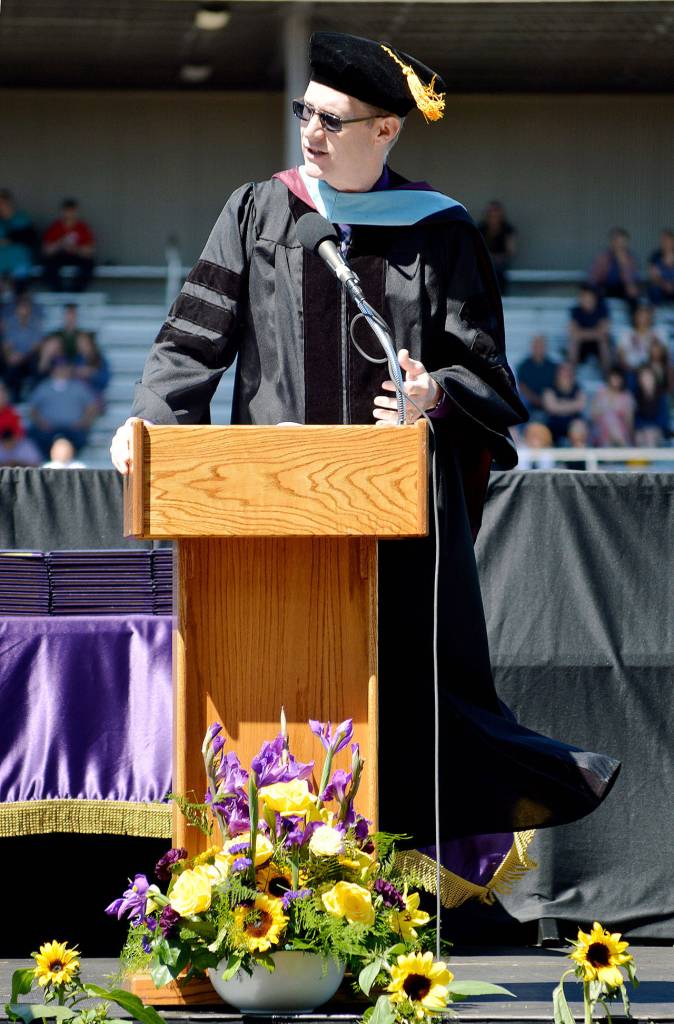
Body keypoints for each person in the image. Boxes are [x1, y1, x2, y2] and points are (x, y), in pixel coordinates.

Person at [111, 32, 618, 848]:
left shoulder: (439, 230)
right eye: (304, 112)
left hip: (397, 524)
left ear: (387, 129)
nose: (310, 132)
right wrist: (150, 423)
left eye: (332, 120)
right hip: (270, 514)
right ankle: (263, 865)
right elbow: (189, 345)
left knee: (411, 694)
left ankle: (397, 876)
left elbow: (484, 371)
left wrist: (433, 398)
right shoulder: (258, 210)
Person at [26, 360, 99, 457]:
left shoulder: (79, 387)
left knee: (79, 437)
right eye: (59, 368)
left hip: (73, 429)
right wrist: (41, 422)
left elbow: (92, 406)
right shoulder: (43, 387)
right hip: (49, 429)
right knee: (38, 436)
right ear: (53, 370)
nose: (62, 370)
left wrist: (83, 421)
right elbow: (32, 409)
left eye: (65, 368)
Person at [41, 199, 96, 292]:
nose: (69, 214)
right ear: (62, 212)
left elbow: (90, 250)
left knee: (89, 264)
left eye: (72, 211)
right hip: (60, 255)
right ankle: (59, 292)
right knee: (48, 264)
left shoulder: (82, 228)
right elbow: (46, 251)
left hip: (77, 256)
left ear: (76, 212)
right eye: (67, 211)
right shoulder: (55, 227)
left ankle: (76, 293)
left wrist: (76, 248)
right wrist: (60, 244)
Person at [0, 294, 44, 400]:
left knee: (35, 361)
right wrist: (10, 356)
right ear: (17, 309)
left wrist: (22, 357)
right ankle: (14, 396)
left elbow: (36, 346)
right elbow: (7, 345)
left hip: (29, 358)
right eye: (21, 307)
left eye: (26, 307)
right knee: (11, 366)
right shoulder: (10, 323)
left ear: (30, 309)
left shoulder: (36, 323)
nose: (24, 310)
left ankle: (35, 396)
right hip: (15, 358)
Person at [589, 227, 640, 311]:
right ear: (612, 243)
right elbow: (593, 278)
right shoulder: (604, 257)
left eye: (621, 242)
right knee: (595, 293)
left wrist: (623, 265)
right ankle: (602, 321)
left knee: (632, 292)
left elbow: (631, 281)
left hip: (623, 288)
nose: (619, 245)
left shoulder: (630, 258)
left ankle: (636, 321)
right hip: (606, 287)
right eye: (616, 242)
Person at [567, 283, 612, 373]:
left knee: (604, 341)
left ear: (594, 298)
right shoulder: (575, 310)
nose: (585, 299)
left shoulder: (602, 309)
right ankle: (571, 375)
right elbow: (573, 332)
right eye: (583, 296)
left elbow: (604, 331)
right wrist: (595, 333)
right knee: (574, 340)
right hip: (582, 346)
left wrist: (582, 333)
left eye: (588, 297)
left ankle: (607, 375)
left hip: (597, 345)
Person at [0, 189, 37, 295]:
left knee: (20, 287)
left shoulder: (21, 218)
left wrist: (9, 239)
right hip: (1, 262)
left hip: (19, 261)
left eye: (3, 202)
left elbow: (30, 237)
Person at [542, 362, 586, 444]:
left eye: (568, 372)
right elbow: (551, 407)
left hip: (573, 421)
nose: (566, 374)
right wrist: (572, 404)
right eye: (563, 372)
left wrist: (560, 404)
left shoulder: (578, 388)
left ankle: (578, 454)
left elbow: (580, 406)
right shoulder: (549, 388)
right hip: (554, 422)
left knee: (579, 426)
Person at [616, 303, 668, 374]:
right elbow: (620, 356)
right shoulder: (626, 333)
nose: (643, 318)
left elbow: (664, 355)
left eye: (645, 314)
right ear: (635, 316)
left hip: (653, 371)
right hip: (631, 371)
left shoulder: (658, 332)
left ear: (650, 316)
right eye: (640, 314)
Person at [477, 200, 516, 294]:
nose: (494, 217)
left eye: (496, 213)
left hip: (500, 262)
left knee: (498, 271)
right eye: (491, 214)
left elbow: (510, 251)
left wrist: (498, 257)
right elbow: (476, 248)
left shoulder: (507, 229)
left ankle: (500, 295)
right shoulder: (481, 228)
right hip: (484, 261)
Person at [590, 367, 635, 447]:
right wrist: (607, 411)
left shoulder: (626, 396)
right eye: (614, 377)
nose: (616, 380)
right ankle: (624, 449)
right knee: (609, 417)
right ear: (609, 377)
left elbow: (629, 422)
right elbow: (593, 415)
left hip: (621, 431)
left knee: (612, 421)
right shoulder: (601, 392)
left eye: (618, 377)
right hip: (600, 430)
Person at [0, 380, 41, 466]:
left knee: (28, 447)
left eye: (3, 393)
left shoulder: (12, 412)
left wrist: (10, 442)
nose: (2, 396)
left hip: (12, 444)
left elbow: (19, 433)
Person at [516, 334, 557, 416]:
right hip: (529, 399)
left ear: (545, 347)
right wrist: (535, 399)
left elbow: (557, 385)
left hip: (548, 400)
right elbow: (521, 386)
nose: (538, 348)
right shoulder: (523, 365)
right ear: (532, 347)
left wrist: (546, 399)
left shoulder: (553, 366)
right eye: (536, 345)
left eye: (541, 345)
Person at [647, 228, 674, 306]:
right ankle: (655, 312)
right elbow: (653, 276)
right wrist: (665, 284)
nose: (665, 243)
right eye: (663, 240)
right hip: (661, 286)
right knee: (654, 289)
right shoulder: (655, 256)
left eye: (667, 240)